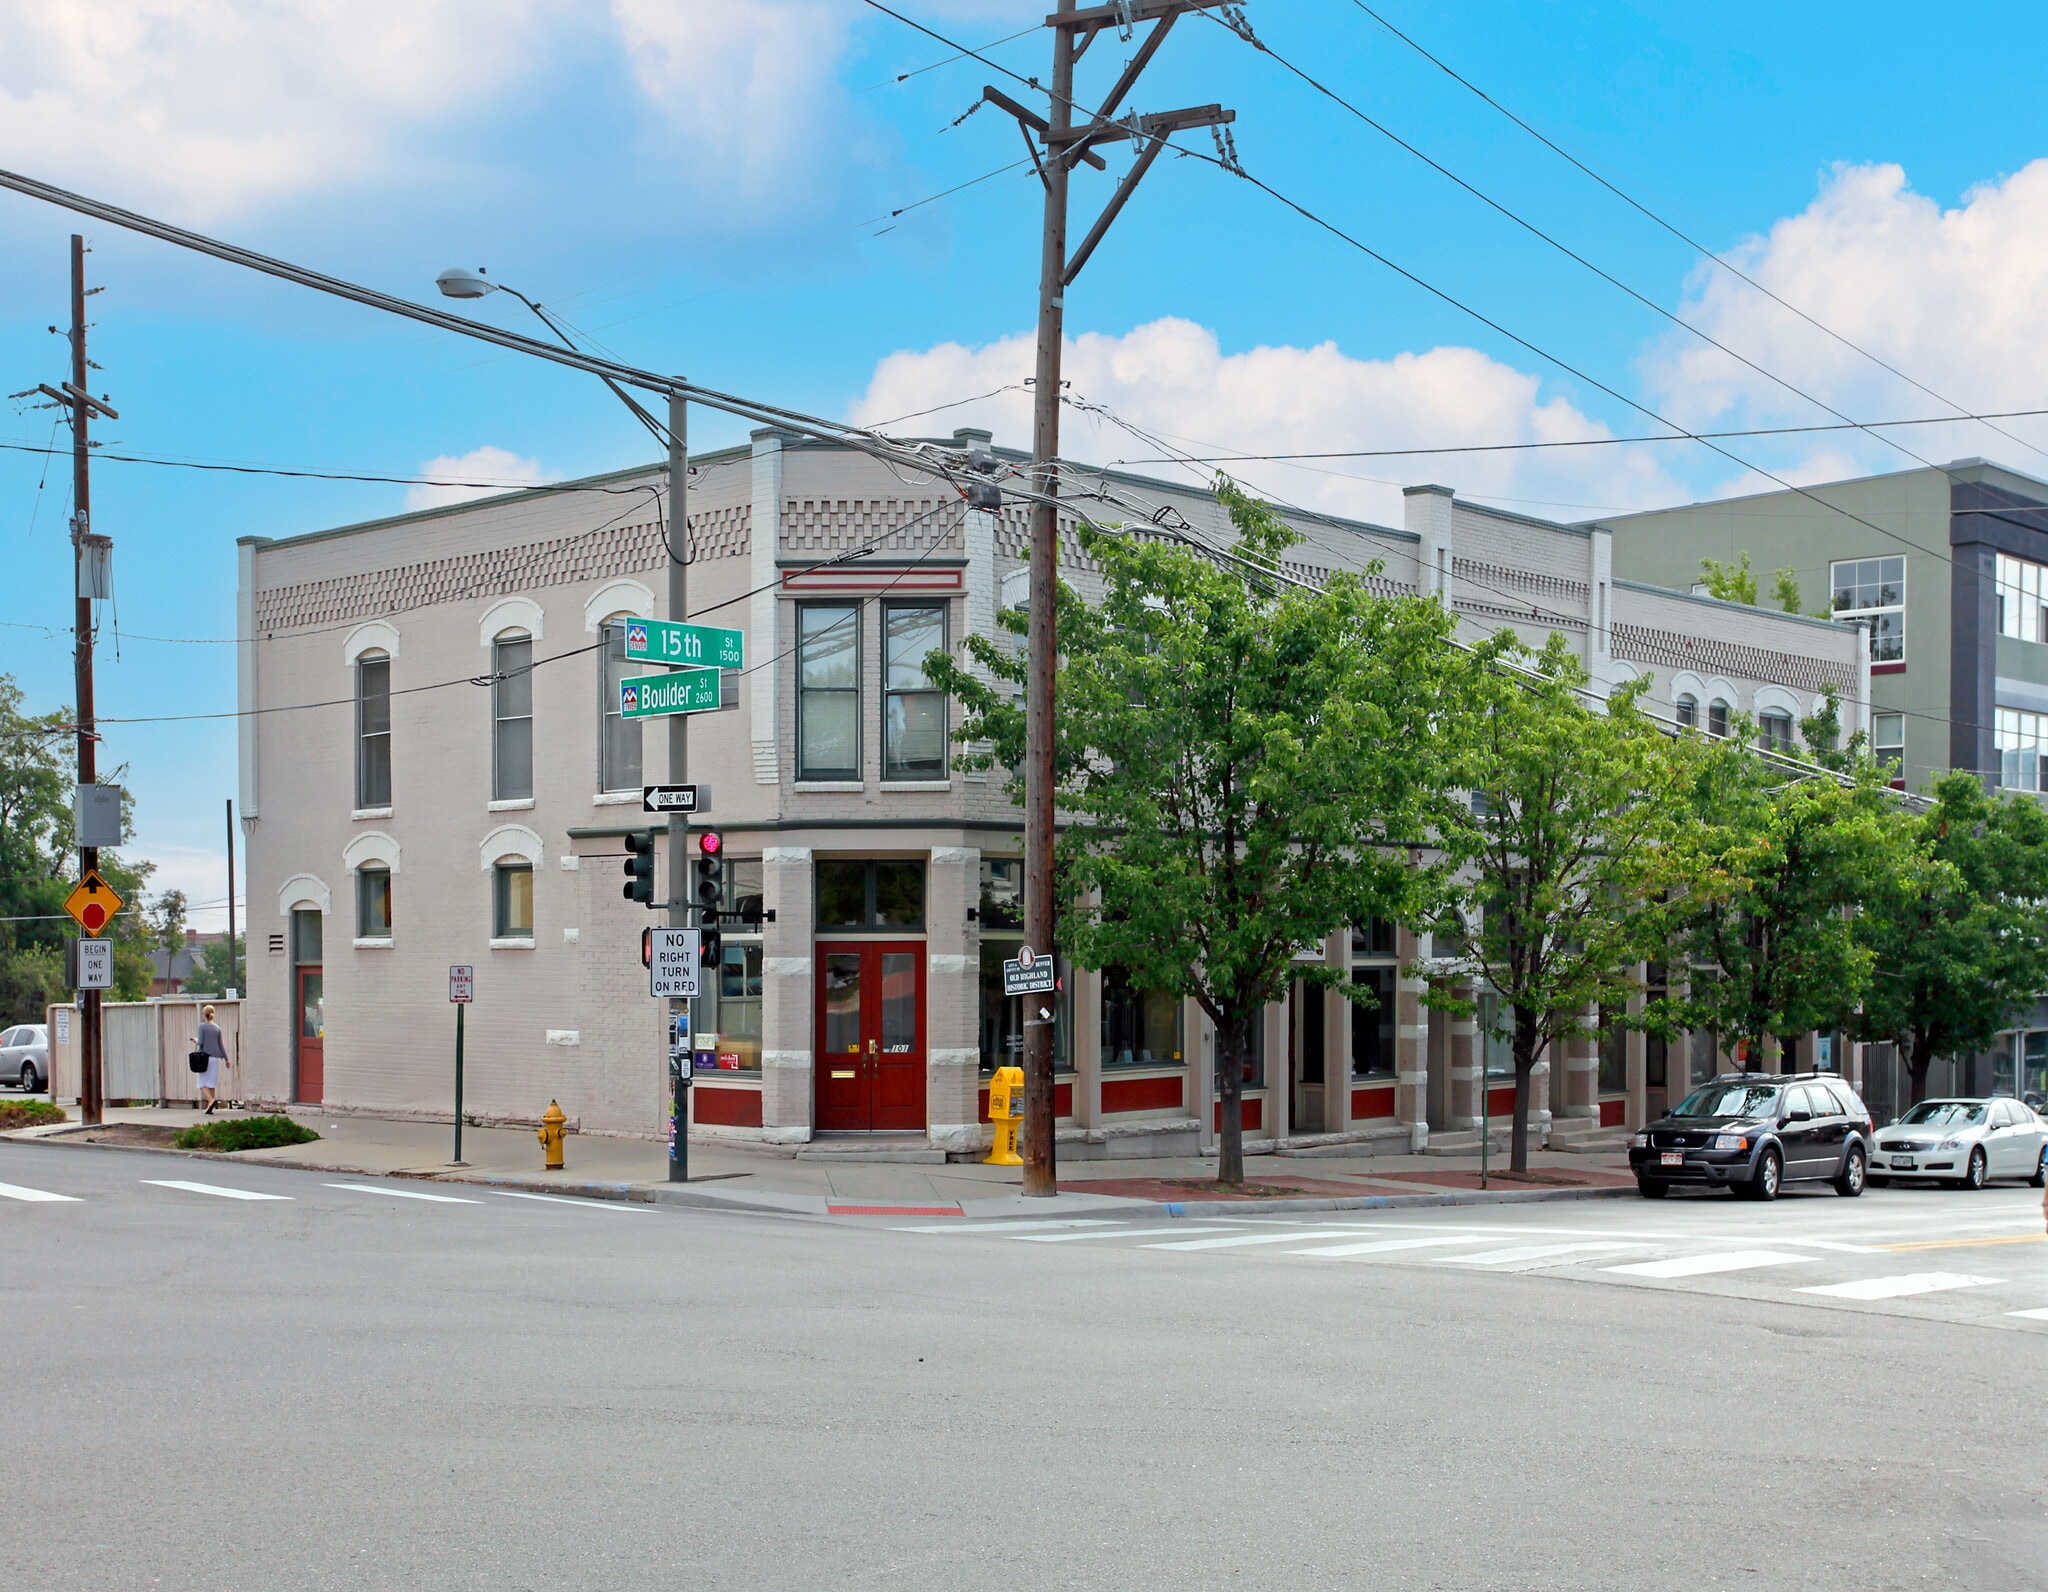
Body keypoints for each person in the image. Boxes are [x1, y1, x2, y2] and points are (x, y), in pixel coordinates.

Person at [194, 1004, 228, 1114]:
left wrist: (195, 1040)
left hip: (204, 1058)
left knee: (202, 1083)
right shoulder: (217, 1028)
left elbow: (201, 1043)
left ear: (204, 1014)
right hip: (215, 1058)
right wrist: (226, 1059)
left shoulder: (202, 1027)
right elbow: (220, 1044)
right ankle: (210, 1108)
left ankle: (211, 1100)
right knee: (212, 1083)